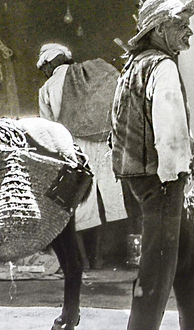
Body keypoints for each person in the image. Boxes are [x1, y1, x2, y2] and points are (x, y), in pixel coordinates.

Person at [109, 0, 194, 330]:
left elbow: (146, 126)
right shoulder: (162, 66)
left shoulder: (134, 65)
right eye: (182, 25)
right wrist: (176, 171)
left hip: (141, 173)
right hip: (161, 177)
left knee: (186, 253)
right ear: (161, 29)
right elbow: (169, 128)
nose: (189, 33)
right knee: (159, 258)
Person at [37, 42, 127, 267]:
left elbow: (49, 129)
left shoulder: (48, 87)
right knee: (111, 197)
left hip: (73, 147)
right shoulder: (92, 73)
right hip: (105, 141)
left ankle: (85, 260)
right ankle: (110, 257)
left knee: (80, 202)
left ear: (50, 64)